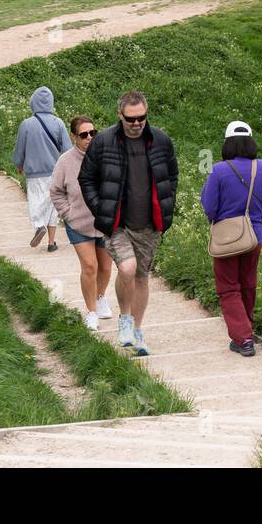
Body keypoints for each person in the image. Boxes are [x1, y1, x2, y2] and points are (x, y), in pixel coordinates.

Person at [79, 91, 179, 356]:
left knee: (142, 277)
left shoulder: (161, 141)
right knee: (127, 268)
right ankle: (124, 319)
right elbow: (86, 179)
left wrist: (167, 206)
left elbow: (172, 175)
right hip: (117, 223)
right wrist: (101, 209)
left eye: (141, 118)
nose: (136, 124)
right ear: (119, 115)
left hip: (150, 223)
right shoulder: (103, 142)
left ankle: (136, 331)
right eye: (131, 119)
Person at [201, 120, 262, 357]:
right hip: (254, 236)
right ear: (250, 141)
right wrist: (252, 219)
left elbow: (209, 206)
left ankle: (243, 338)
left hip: (226, 238)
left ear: (227, 143)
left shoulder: (218, 170)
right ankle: (247, 328)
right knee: (248, 283)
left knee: (228, 288)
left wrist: (225, 220)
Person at [50, 116, 114, 331]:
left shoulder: (106, 157)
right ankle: (91, 311)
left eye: (92, 133)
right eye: (84, 134)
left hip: (104, 223)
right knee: (89, 266)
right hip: (78, 224)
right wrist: (69, 214)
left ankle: (101, 296)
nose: (89, 138)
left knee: (105, 267)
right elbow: (56, 191)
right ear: (74, 137)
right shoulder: (65, 161)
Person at [13, 86, 71, 252]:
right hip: (55, 172)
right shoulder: (58, 123)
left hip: (34, 172)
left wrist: (18, 164)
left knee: (35, 201)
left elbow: (20, 149)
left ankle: (39, 226)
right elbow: (67, 149)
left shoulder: (26, 124)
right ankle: (51, 243)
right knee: (52, 205)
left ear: (33, 103)